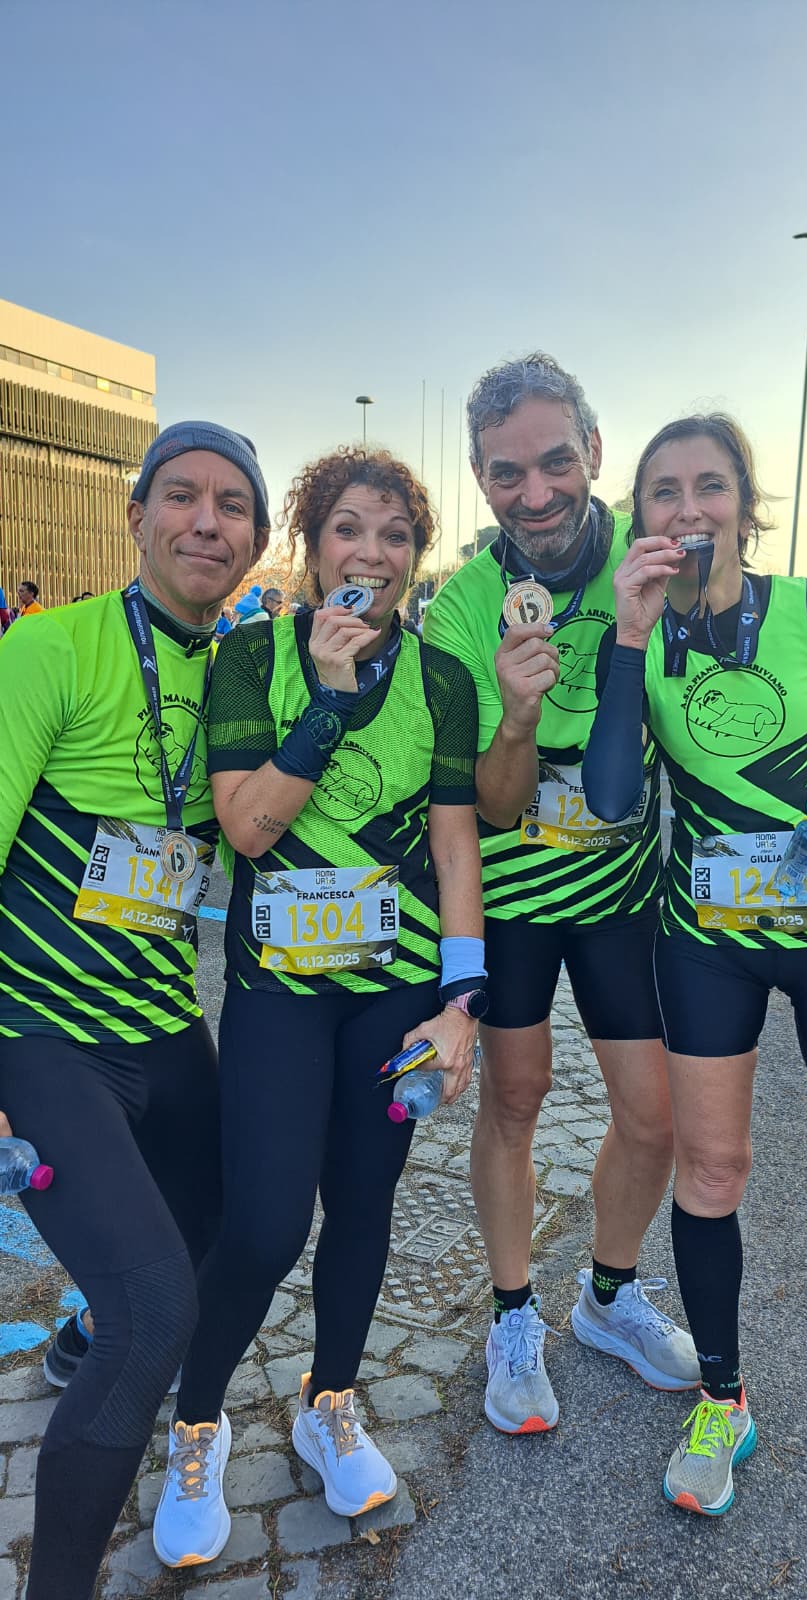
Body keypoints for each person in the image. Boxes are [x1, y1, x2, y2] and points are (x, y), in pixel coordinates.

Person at [152, 446, 485, 1567]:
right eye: (349, 528)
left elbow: (454, 846)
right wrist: (329, 704)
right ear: (309, 545)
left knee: (364, 1205)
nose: (371, 554)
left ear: (415, 556)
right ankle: (197, 1423)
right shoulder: (253, 656)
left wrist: (462, 1001)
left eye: (395, 535)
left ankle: (330, 1397)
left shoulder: (443, 679)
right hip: (279, 993)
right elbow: (246, 828)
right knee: (262, 1224)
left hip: (392, 996)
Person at [584, 413, 807, 1521]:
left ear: (744, 507)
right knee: (712, 1172)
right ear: (639, 517)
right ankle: (721, 1400)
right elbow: (610, 798)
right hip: (707, 941)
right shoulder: (637, 633)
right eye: (662, 492)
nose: (687, 509)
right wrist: (629, 637)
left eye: (708, 486)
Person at [0, 420, 269, 1599]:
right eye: (182, 495)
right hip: (44, 1038)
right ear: (136, 516)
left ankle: (74, 1334)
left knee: (230, 1234)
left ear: (256, 542)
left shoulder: (250, 674)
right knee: (153, 1311)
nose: (206, 521)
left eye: (232, 505)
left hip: (165, 1027)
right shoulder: (49, 647)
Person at [423, 354, 698, 1436]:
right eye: (506, 473)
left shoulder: (653, 553)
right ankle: (510, 1314)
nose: (533, 494)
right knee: (516, 1099)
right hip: (516, 899)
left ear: (592, 449)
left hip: (621, 894)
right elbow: (489, 809)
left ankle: (608, 1295)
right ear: (480, 479)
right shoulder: (462, 608)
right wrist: (517, 720)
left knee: (653, 1114)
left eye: (552, 462)